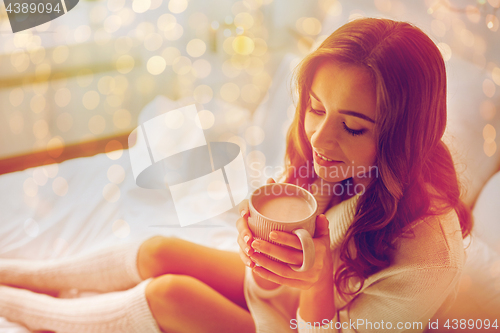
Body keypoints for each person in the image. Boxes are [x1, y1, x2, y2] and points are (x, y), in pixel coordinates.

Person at [0, 17, 472, 333]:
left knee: (169, 295)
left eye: (352, 126)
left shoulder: (429, 258)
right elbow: (271, 282)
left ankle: (16, 308)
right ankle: (18, 276)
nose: (319, 139)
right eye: (315, 108)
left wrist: (317, 279)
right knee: (157, 250)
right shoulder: (340, 163)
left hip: (310, 321)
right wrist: (259, 251)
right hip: (284, 306)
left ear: (401, 135)